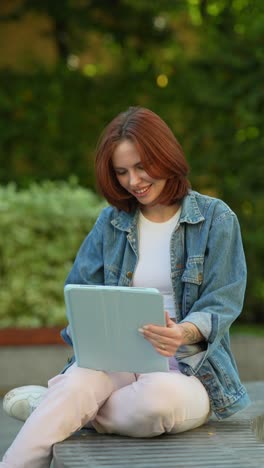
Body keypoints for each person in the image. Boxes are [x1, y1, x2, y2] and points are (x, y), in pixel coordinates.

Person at [1, 107, 250, 467]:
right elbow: (80, 290)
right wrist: (90, 331)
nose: (133, 181)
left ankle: (53, 409)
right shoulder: (111, 223)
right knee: (78, 384)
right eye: (121, 172)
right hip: (114, 362)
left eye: (141, 166)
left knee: (157, 404)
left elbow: (223, 300)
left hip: (187, 370)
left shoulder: (216, 218)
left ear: (165, 156)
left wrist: (183, 331)